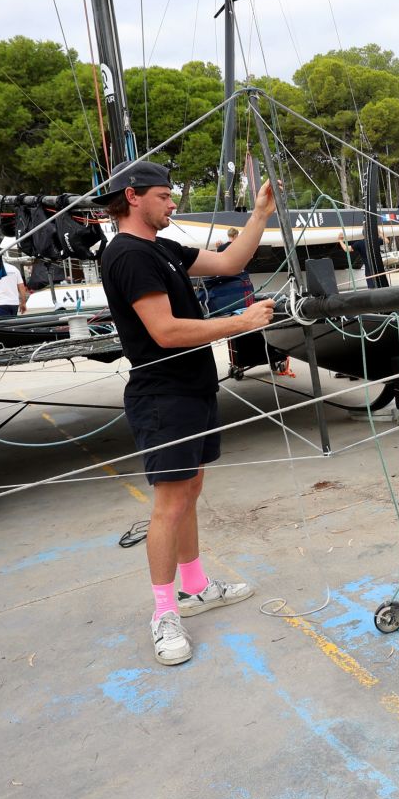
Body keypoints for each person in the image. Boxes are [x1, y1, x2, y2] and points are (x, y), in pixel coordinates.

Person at [98, 159, 277, 666]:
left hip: (192, 389)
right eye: (164, 195)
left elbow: (229, 262)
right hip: (163, 395)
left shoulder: (163, 249)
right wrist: (239, 323)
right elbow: (166, 332)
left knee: (190, 490)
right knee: (169, 504)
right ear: (132, 196)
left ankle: (195, 586)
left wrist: (260, 214)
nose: (173, 203)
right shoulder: (129, 254)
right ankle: (164, 612)